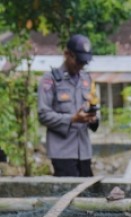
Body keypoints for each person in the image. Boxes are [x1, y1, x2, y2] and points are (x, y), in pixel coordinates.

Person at [38, 34, 99, 177]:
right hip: (62, 152)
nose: (80, 66)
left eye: (84, 63)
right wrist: (72, 119)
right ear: (67, 54)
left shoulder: (86, 79)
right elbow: (43, 114)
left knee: (86, 195)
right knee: (69, 194)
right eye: (78, 61)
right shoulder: (50, 80)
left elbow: (94, 104)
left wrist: (93, 118)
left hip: (84, 151)